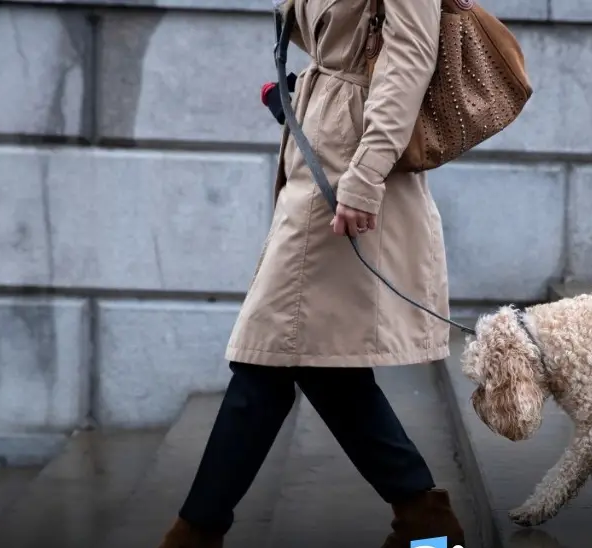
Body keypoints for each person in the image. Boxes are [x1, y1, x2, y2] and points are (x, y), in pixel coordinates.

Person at [156, 0, 466, 546]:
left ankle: (195, 533)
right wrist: (304, 98)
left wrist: (366, 175)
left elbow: (411, 55)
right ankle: (426, 523)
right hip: (317, 156)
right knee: (317, 361)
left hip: (351, 172)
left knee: (270, 355)